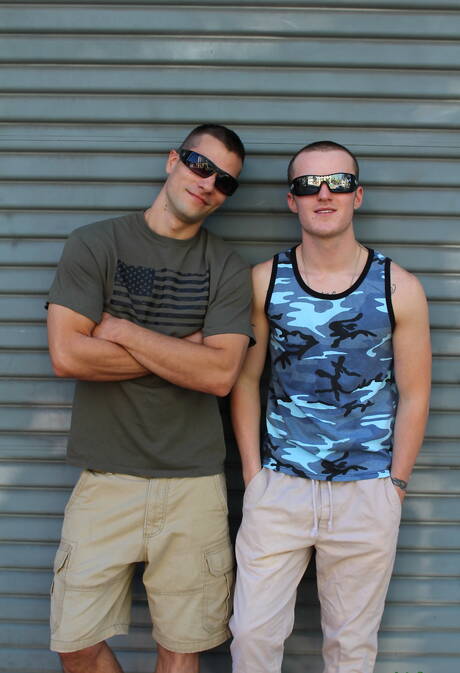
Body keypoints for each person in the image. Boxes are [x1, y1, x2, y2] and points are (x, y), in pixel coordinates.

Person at [46, 124, 253, 673]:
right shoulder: (96, 244)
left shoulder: (227, 267)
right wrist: (186, 350)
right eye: (200, 165)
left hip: (193, 484)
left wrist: (122, 331)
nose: (208, 183)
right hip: (105, 478)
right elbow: (68, 356)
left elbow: (220, 375)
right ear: (172, 160)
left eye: (225, 181)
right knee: (75, 643)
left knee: (181, 648)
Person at [229, 140, 431, 673]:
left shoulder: (398, 287)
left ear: (357, 195)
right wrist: (253, 476)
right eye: (308, 185)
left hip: (367, 490)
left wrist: (395, 485)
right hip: (280, 488)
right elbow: (245, 380)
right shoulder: (264, 281)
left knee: (351, 650)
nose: (324, 194)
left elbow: (415, 393)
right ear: (290, 200)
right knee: (251, 637)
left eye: (338, 183)